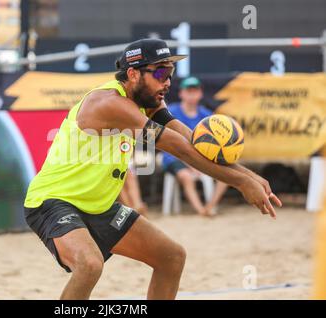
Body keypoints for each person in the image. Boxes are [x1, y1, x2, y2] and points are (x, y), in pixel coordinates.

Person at [23, 38, 282, 300]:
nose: (168, 82)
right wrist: (240, 183)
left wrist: (251, 176)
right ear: (133, 74)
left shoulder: (148, 103)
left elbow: (194, 141)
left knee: (171, 257)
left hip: (98, 206)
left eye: (170, 73)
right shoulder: (110, 103)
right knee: (89, 265)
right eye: (160, 73)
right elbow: (178, 149)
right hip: (52, 201)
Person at [162, 77, 228, 216]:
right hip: (174, 156)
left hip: (199, 157)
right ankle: (201, 211)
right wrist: (192, 164)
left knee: (227, 174)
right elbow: (171, 144)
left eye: (194, 91)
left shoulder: (207, 115)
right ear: (181, 94)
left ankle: (210, 207)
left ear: (200, 94)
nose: (191, 95)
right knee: (186, 177)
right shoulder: (170, 112)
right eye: (188, 91)